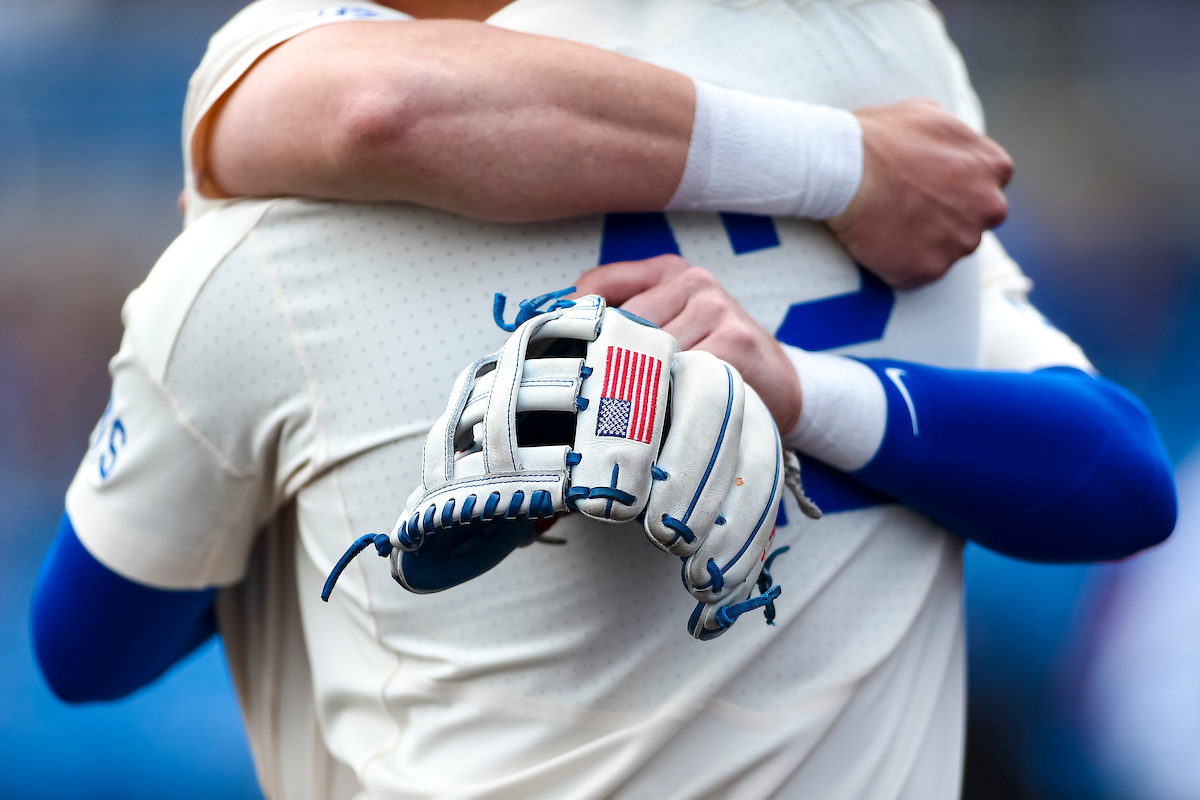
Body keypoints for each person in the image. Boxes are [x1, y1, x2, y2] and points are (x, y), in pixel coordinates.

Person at [30, 2, 1175, 799]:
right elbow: (1118, 480)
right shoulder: (878, 60)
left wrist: (783, 391)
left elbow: (84, 649)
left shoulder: (264, 238)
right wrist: (811, 391)